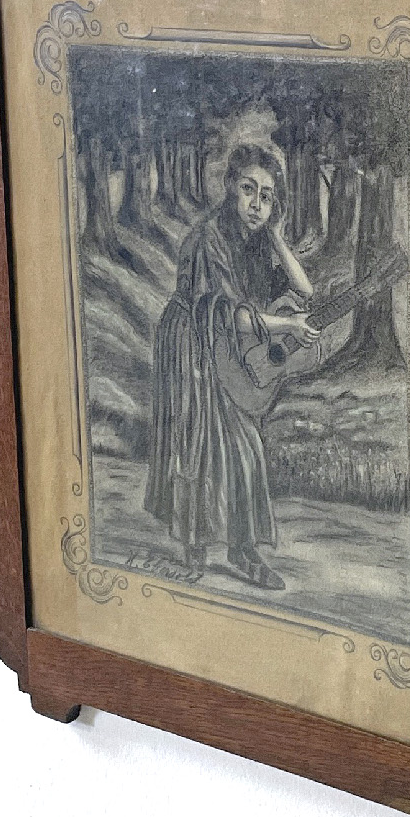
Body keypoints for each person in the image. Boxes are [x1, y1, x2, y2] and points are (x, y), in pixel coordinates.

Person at [144, 143, 317, 589]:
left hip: (224, 345)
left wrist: (276, 236)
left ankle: (243, 549)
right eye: (248, 189)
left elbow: (306, 291)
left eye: (267, 196)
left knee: (246, 445)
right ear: (229, 187)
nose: (256, 204)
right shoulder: (208, 239)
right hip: (192, 342)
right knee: (199, 440)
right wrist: (288, 325)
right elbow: (231, 314)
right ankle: (195, 545)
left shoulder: (256, 241)